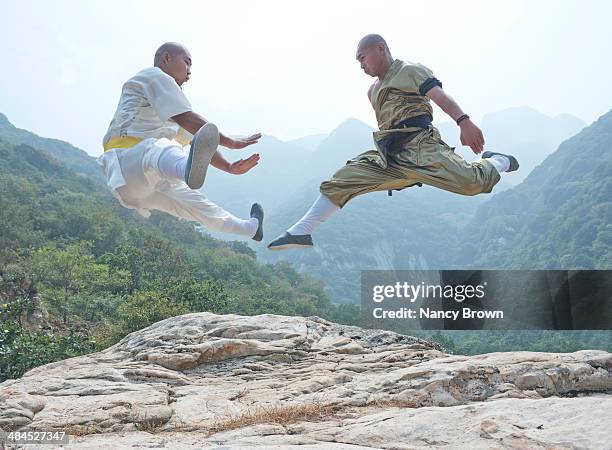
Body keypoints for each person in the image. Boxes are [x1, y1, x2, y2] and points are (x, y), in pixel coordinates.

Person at [268, 34, 519, 250]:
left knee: (472, 184)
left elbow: (438, 95)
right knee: (344, 178)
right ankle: (301, 231)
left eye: (362, 58)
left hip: (421, 146)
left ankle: (497, 161)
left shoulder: (408, 70)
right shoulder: (372, 91)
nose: (361, 66)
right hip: (390, 155)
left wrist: (463, 121)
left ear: (380, 48)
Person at [98, 42, 264, 241]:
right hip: (126, 162)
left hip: (134, 191)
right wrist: (231, 142)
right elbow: (189, 119)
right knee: (158, 147)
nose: (190, 72)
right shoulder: (153, 76)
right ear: (166, 58)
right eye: (187, 63)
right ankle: (184, 168)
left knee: (197, 206)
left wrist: (229, 167)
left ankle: (250, 229)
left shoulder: (168, 115)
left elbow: (202, 139)